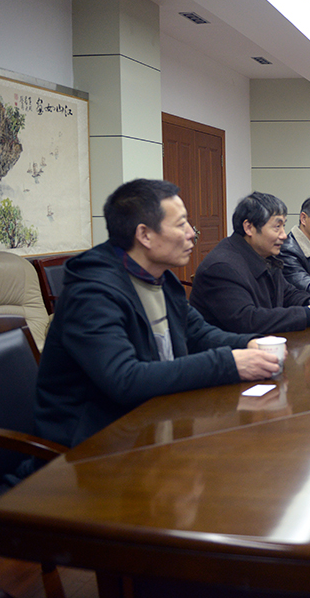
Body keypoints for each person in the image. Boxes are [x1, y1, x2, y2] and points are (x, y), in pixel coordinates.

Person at [34, 179, 281, 449]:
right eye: (181, 224)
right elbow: (125, 379)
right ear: (145, 235)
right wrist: (229, 364)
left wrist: (249, 343)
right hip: (92, 448)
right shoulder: (92, 294)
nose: (191, 233)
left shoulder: (161, 278)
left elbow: (197, 333)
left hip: (155, 423)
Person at [189, 192, 310, 334]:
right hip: (230, 350)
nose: (284, 235)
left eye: (283, 226)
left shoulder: (265, 256)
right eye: (277, 227)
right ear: (249, 228)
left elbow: (286, 293)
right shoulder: (222, 267)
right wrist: (308, 314)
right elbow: (248, 320)